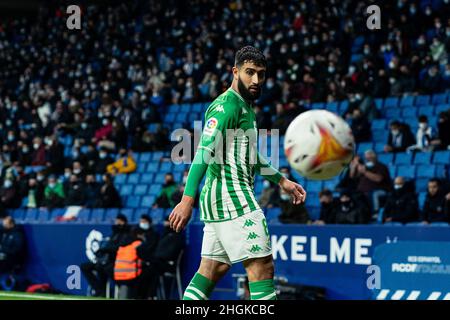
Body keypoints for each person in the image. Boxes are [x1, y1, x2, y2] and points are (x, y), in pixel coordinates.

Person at [169, 46, 306, 301]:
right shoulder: (227, 106)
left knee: (212, 269)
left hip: (220, 198)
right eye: (249, 72)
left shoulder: (245, 108)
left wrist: (282, 181)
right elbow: (203, 152)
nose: (256, 80)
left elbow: (250, 156)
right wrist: (187, 199)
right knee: (261, 267)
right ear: (235, 71)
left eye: (261, 74)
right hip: (231, 195)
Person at [81, 213, 131, 297]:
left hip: (116, 260)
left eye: (119, 221)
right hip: (106, 259)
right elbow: (109, 245)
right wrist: (102, 252)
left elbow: (119, 248)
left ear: (123, 222)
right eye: (117, 221)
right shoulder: (114, 233)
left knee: (101, 267)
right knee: (85, 266)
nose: (117, 223)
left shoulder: (127, 234)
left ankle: (103, 291)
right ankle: (98, 289)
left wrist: (105, 250)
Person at [137, 218, 185, 299]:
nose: (165, 224)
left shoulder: (177, 237)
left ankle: (151, 296)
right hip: (159, 262)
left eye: (168, 222)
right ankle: (145, 296)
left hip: (168, 264)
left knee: (152, 268)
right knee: (148, 268)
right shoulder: (164, 236)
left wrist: (157, 257)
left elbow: (170, 254)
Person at [349, 150, 391, 215]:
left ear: (375, 157)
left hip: (379, 190)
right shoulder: (364, 166)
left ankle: (375, 213)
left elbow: (378, 179)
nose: (368, 158)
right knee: (350, 194)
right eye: (367, 157)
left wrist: (365, 172)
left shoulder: (381, 166)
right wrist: (353, 167)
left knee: (373, 194)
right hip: (362, 191)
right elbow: (353, 177)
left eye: (370, 156)